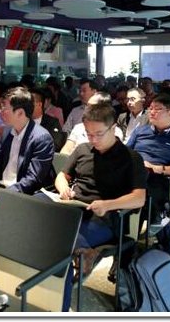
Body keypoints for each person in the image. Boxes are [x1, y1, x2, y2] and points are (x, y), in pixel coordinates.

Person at [54, 104, 146, 311]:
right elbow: (62, 175)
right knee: (37, 221)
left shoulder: (131, 158)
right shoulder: (83, 149)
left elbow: (139, 198)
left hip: (105, 217)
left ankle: (59, 306)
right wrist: (63, 188)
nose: (93, 139)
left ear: (113, 128)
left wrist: (108, 204)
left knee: (60, 244)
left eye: (98, 134)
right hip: (74, 208)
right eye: (89, 134)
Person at [0, 87, 55, 211]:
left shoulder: (42, 138)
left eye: (4, 107)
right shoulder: (7, 131)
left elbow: (32, 180)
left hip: (23, 195)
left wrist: (2, 195)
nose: (0, 111)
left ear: (20, 113)